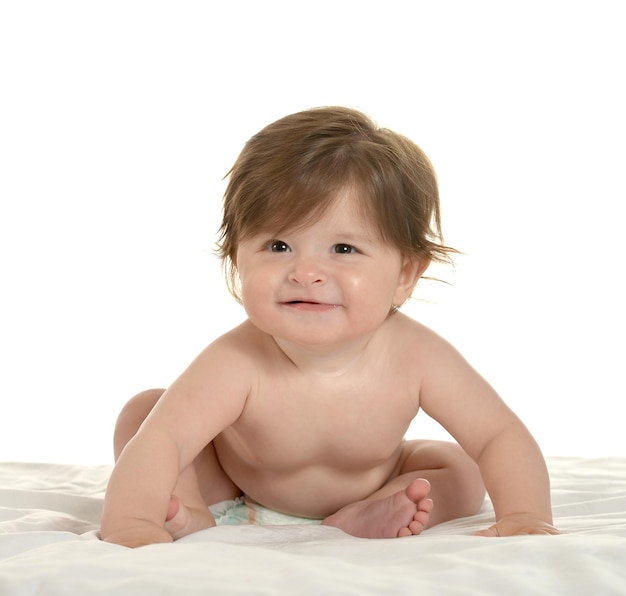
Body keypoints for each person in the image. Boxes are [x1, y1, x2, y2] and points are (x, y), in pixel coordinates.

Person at [100, 106, 558, 547]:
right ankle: (193, 509)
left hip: (370, 485)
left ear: (405, 275)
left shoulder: (417, 356)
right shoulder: (236, 360)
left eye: (343, 248)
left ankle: (373, 511)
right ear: (237, 258)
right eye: (278, 245)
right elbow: (169, 438)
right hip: (235, 489)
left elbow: (498, 434)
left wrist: (526, 514)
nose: (306, 272)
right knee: (146, 416)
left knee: (458, 467)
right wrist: (132, 522)